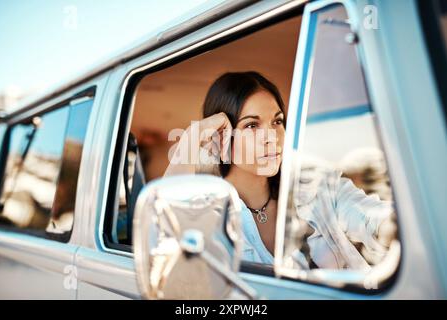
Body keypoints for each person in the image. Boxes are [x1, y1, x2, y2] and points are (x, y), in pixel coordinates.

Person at [164, 71, 394, 270]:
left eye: (277, 121)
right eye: (252, 125)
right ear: (221, 137)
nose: (272, 137)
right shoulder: (207, 216)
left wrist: (390, 226)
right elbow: (163, 234)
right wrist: (191, 137)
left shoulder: (317, 188)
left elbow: (370, 216)